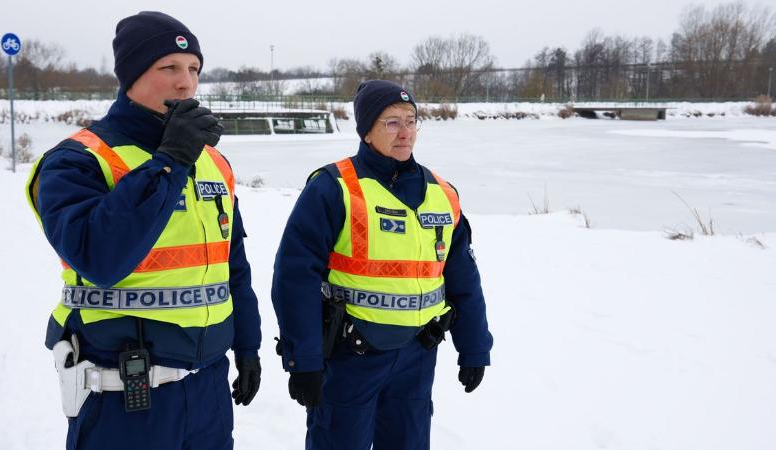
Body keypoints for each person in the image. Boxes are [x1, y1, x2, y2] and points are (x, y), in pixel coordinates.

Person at [25, 11, 261, 450]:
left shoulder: (213, 163)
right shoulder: (77, 160)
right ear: (130, 75)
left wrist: (248, 346)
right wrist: (170, 159)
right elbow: (100, 257)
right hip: (124, 393)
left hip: (207, 388)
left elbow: (233, 268)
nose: (185, 83)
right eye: (168, 67)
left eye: (193, 69)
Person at [271, 79, 493, 450]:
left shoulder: (442, 193)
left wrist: (474, 346)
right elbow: (295, 278)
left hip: (417, 357)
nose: (405, 133)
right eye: (392, 122)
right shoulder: (334, 187)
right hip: (350, 357)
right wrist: (303, 358)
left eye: (411, 120)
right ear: (366, 130)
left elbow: (463, 278)